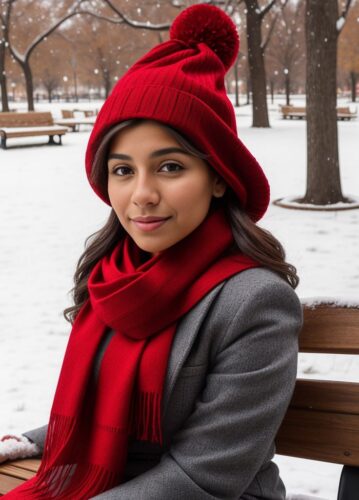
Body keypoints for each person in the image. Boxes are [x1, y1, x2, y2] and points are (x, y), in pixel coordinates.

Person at [0, 3, 303, 499]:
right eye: (123, 170)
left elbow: (204, 475)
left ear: (219, 178)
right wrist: (25, 442)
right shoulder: (112, 276)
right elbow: (98, 414)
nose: (141, 193)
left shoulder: (255, 303)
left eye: (169, 167)